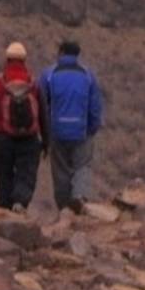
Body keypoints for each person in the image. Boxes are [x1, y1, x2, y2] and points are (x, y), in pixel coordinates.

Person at [0, 41, 45, 211]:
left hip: (1, 138)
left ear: (6, 59)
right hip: (29, 139)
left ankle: (3, 210)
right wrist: (46, 142)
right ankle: (20, 202)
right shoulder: (34, 84)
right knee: (26, 172)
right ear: (24, 60)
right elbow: (43, 114)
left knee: (3, 176)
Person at [39, 40, 103, 213]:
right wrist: (92, 128)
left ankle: (64, 207)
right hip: (82, 130)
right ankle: (79, 197)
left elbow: (40, 104)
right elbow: (95, 106)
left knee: (60, 170)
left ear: (61, 52)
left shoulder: (49, 74)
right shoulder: (88, 75)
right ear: (77, 55)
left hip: (57, 130)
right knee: (82, 166)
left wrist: (44, 132)